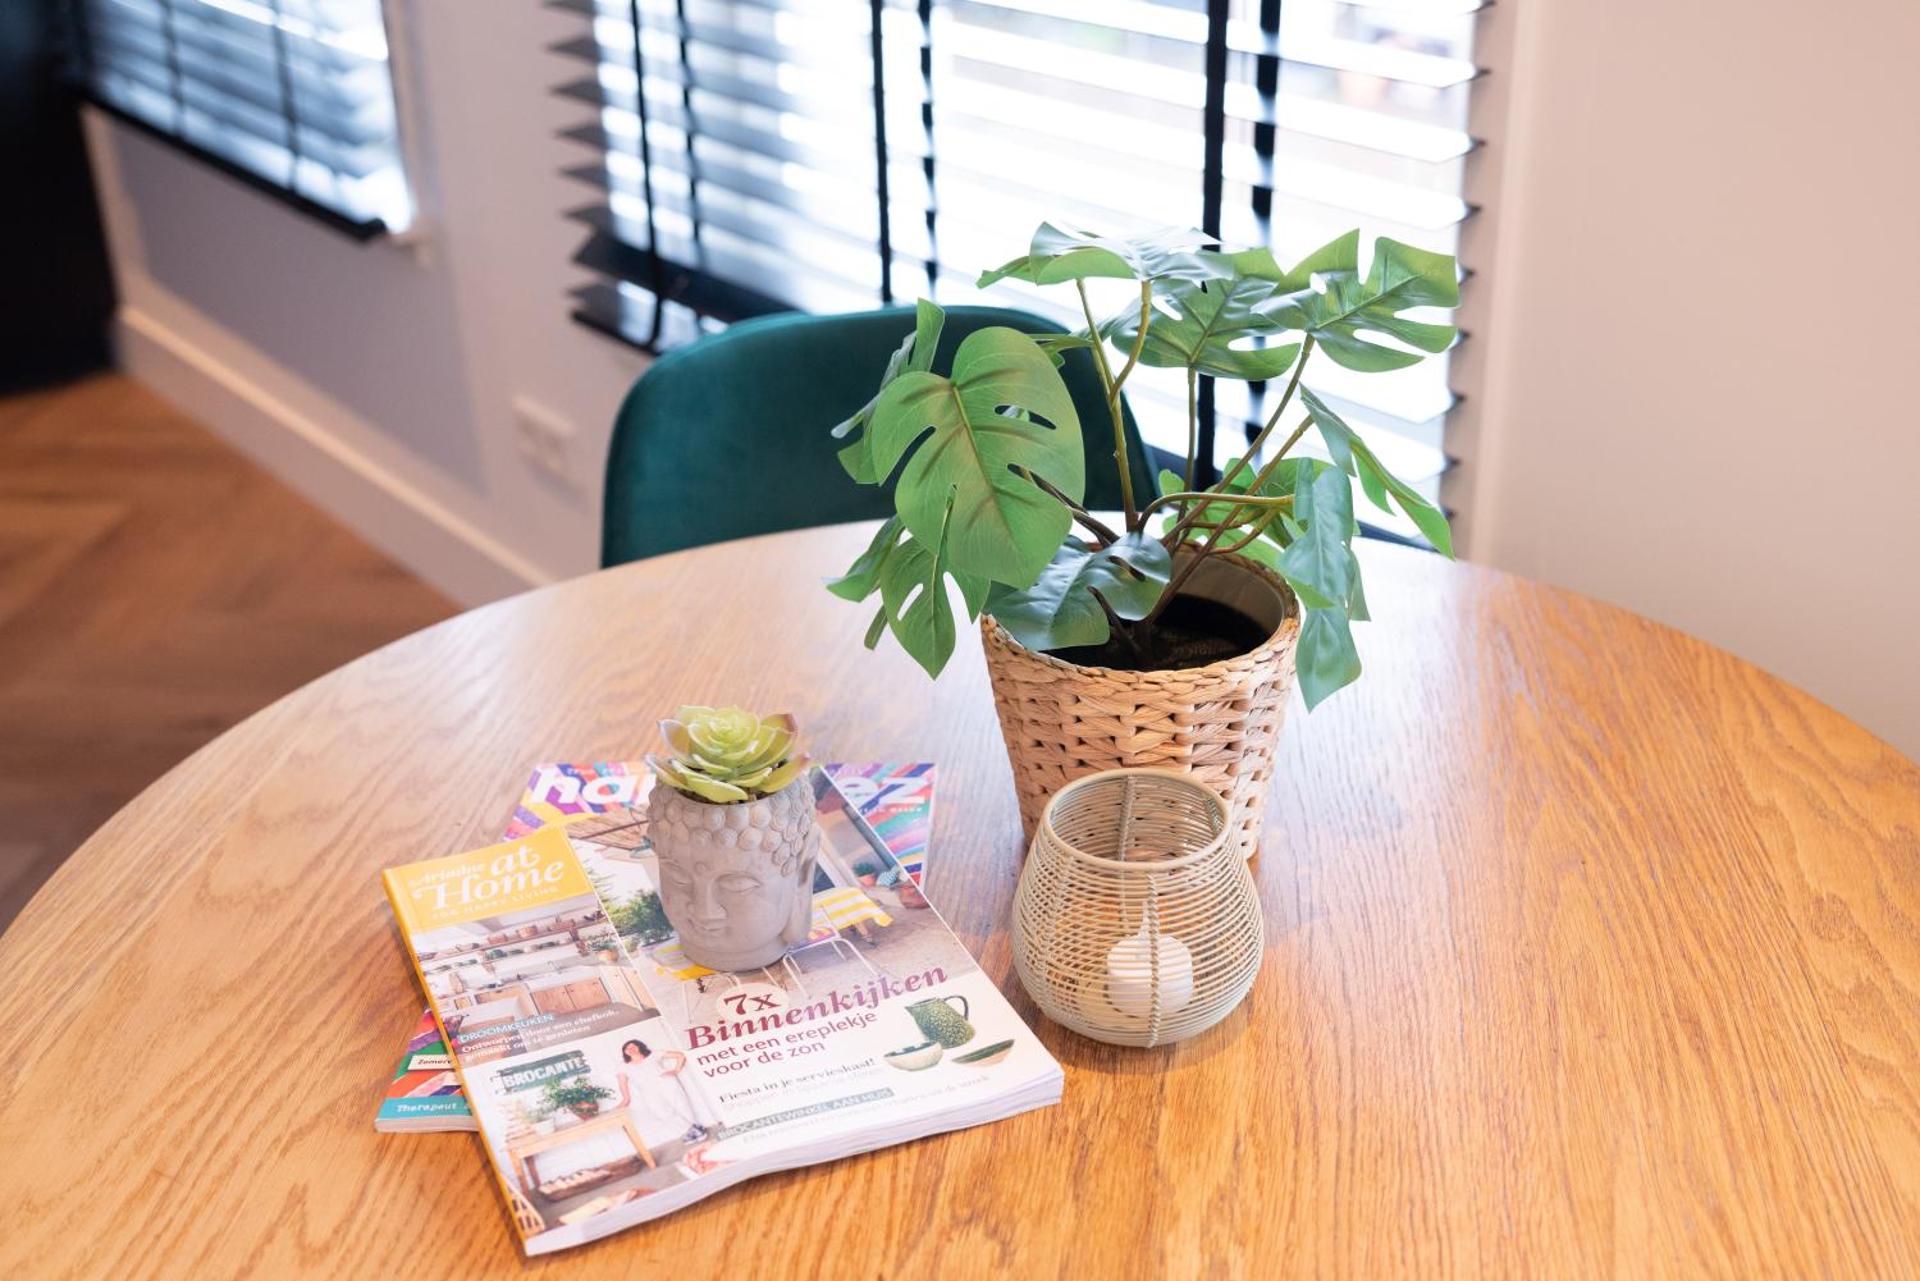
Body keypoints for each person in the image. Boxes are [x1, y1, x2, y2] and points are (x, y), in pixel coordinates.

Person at [614, 1039, 715, 1145]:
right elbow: (622, 1084)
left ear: (639, 1047)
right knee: (661, 1113)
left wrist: (676, 1070)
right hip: (648, 1090)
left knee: (681, 1106)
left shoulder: (652, 1055)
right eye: (627, 1048)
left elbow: (680, 1055)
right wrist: (626, 1099)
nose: (630, 1049)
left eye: (633, 1046)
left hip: (666, 1083)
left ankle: (694, 1132)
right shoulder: (623, 1066)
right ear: (624, 1052)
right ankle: (694, 1129)